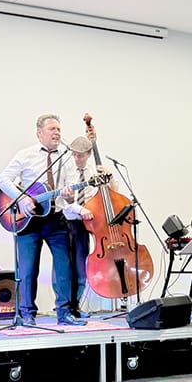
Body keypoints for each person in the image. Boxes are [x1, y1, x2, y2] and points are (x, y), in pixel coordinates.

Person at [0, 114, 85, 327]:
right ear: (39, 133)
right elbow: (3, 179)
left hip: (56, 219)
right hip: (29, 221)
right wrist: (22, 198)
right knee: (28, 270)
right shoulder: (25, 155)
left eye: (59, 129)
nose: (57, 133)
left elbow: (71, 193)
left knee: (64, 267)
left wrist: (69, 195)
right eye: (52, 129)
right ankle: (27, 314)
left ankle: (64, 313)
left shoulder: (66, 158)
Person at [58, 135, 119, 319]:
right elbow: (61, 200)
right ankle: (64, 307)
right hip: (67, 221)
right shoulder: (65, 169)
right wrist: (80, 209)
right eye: (75, 154)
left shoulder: (94, 171)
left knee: (81, 266)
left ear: (89, 154)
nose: (77, 158)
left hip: (87, 224)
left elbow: (113, 193)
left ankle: (75, 306)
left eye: (81, 155)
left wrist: (110, 177)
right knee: (66, 268)